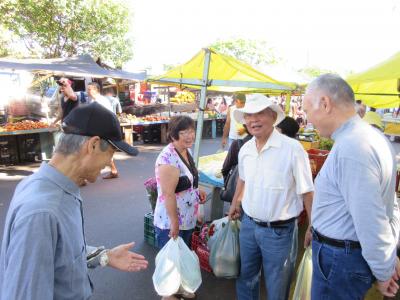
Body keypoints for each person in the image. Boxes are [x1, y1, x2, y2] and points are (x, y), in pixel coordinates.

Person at [0, 102, 147, 299]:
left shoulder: (57, 188)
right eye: (110, 153)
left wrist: (104, 256)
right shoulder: (42, 212)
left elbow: (63, 253)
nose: (108, 162)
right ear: (93, 145)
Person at [303, 74, 400, 299]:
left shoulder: (352, 147)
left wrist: (384, 271)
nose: (308, 120)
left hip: (340, 260)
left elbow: (371, 218)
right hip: (343, 256)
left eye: (307, 110)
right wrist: (388, 255)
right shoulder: (369, 137)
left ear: (325, 103)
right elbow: (389, 205)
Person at [228, 94, 314, 300]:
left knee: (277, 286)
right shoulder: (246, 148)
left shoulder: (292, 149)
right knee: (246, 278)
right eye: (249, 115)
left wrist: (312, 225)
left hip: (279, 232)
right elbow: (243, 179)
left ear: (273, 117)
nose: (253, 120)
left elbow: (307, 191)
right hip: (248, 225)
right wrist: (235, 202)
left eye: (260, 114)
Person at [153, 115, 207, 300]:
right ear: (174, 135)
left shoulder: (186, 151)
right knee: (170, 262)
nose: (190, 136)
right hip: (171, 220)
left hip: (187, 218)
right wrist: (174, 223)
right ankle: (168, 294)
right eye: (184, 132)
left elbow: (188, 181)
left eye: (192, 131)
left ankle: (181, 287)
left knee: (182, 256)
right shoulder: (167, 158)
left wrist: (197, 192)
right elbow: (168, 194)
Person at [86, 82, 119, 179]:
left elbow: (108, 116)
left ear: (95, 90)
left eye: (89, 89)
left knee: (102, 152)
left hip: (104, 131)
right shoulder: (93, 101)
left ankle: (112, 171)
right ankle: (113, 170)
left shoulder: (102, 101)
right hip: (97, 131)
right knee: (99, 152)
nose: (87, 91)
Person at [103, 88, 123, 179]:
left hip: (106, 126)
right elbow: (120, 112)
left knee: (106, 150)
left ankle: (114, 171)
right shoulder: (115, 100)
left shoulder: (101, 100)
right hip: (114, 124)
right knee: (108, 150)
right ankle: (113, 170)